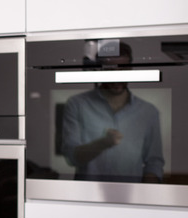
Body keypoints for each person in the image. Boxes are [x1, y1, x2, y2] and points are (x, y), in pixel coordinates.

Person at [60, 42, 164, 183]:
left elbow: (154, 163)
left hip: (132, 196)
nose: (117, 76)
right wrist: (103, 143)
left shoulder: (149, 111)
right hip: (86, 197)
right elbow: (72, 157)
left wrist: (145, 196)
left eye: (123, 68)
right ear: (100, 70)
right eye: (110, 69)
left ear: (131, 69)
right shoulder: (77, 104)